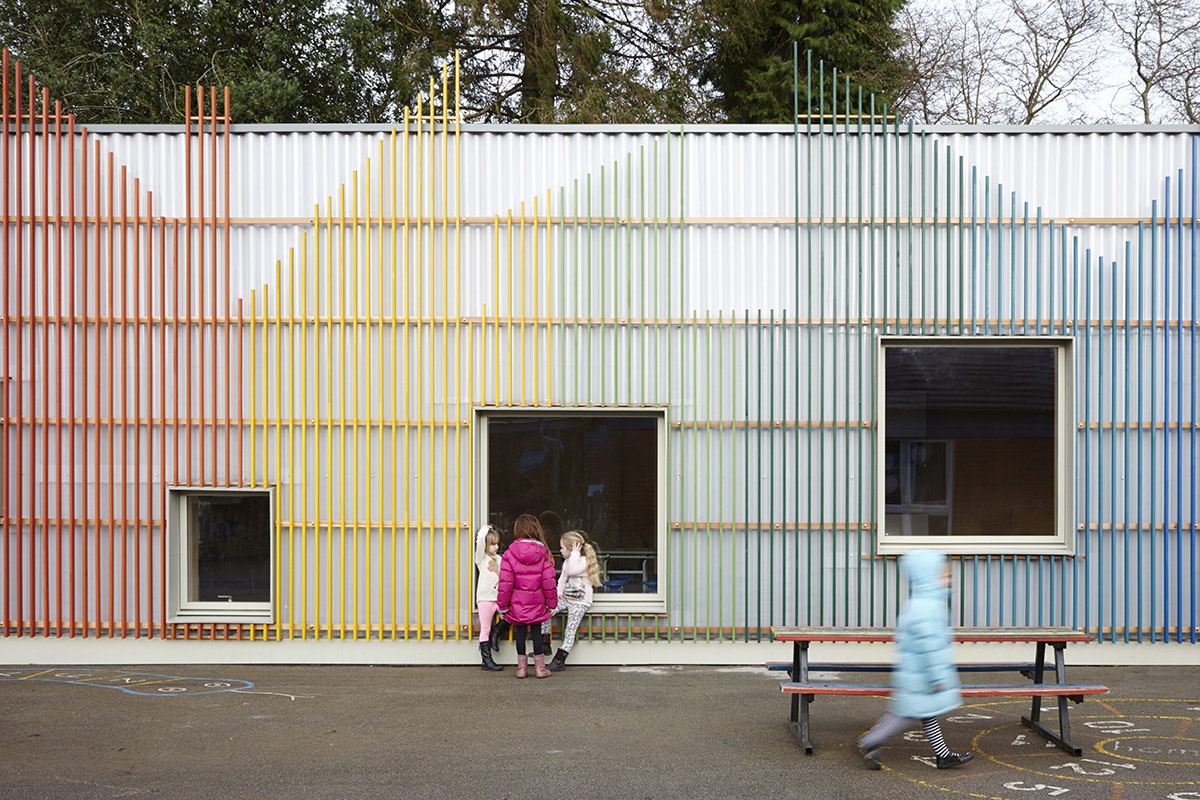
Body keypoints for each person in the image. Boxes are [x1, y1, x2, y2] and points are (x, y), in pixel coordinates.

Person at [857, 550, 974, 770]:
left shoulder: (923, 603)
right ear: (927, 577)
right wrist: (937, 678)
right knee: (907, 716)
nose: (948, 581)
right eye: (943, 576)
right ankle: (869, 741)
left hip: (917, 674)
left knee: (925, 714)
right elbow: (929, 647)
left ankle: (943, 755)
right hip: (922, 676)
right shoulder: (926, 608)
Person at [496, 514, 557, 678]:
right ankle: (540, 669)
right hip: (537, 603)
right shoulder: (544, 553)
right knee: (536, 633)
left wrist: (502, 607)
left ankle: (521, 669)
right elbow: (549, 582)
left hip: (517, 604)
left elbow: (505, 584)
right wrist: (552, 605)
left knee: (521, 634)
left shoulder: (509, 554)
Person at [541, 530, 600, 672]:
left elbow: (573, 571)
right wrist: (558, 594)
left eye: (562, 548)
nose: (560, 551)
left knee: (570, 630)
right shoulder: (568, 561)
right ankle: (545, 643)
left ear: (571, 548)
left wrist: (575, 554)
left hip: (580, 601)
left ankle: (559, 660)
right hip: (568, 597)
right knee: (545, 612)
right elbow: (562, 579)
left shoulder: (581, 561)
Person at [474, 524, 504, 671]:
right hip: (485, 598)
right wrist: (484, 530)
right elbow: (479, 541)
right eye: (492, 544)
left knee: (511, 616)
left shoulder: (500, 559)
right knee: (485, 628)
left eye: (497, 544)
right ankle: (486, 660)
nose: (496, 547)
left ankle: (496, 633)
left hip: (499, 598)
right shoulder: (481, 558)